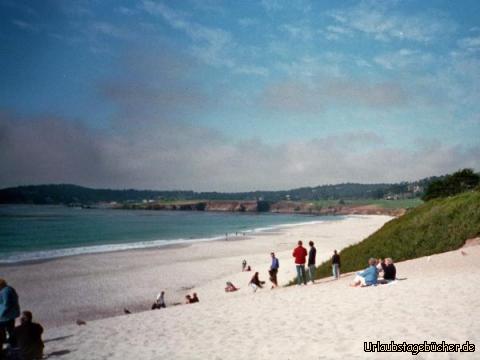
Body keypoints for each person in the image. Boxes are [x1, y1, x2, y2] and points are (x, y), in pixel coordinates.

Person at [0, 278, 20, 349]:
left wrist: (1, 314)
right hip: (10, 314)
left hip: (5, 316)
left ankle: (11, 342)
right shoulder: (8, 289)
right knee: (10, 328)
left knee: (5, 329)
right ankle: (12, 342)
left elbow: (6, 304)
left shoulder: (5, 291)